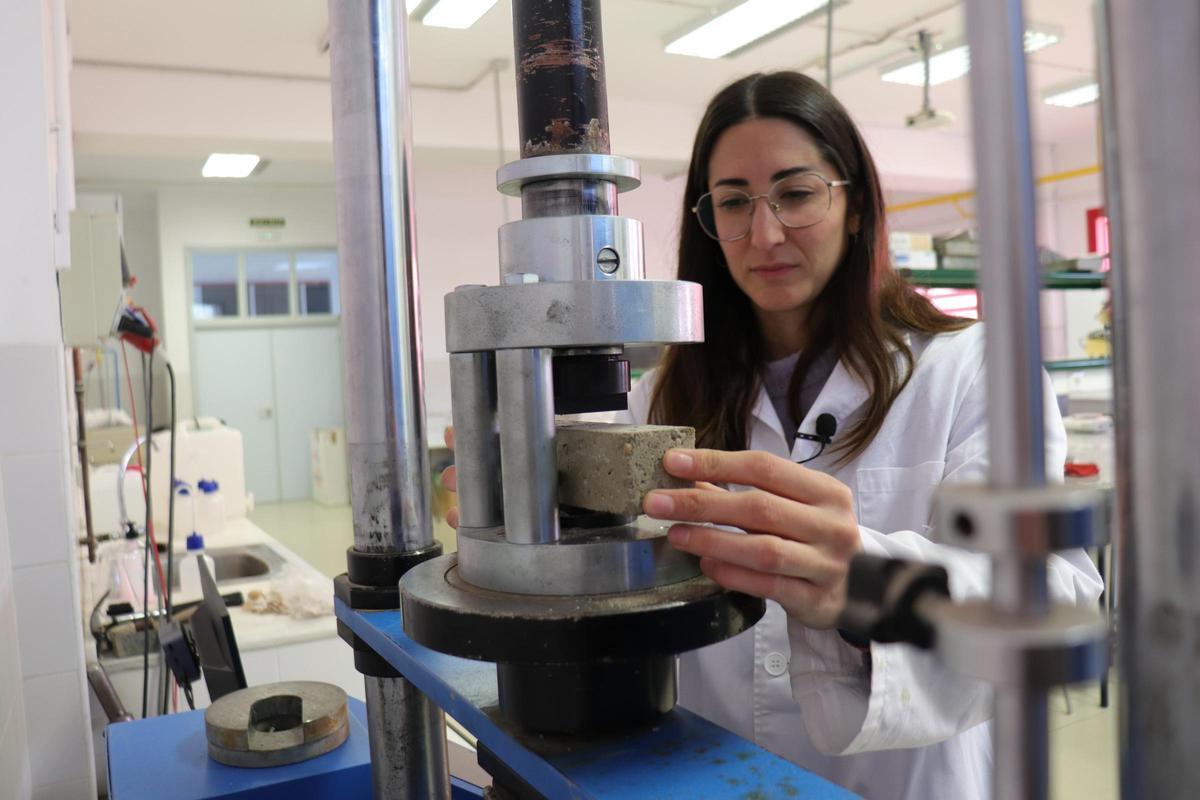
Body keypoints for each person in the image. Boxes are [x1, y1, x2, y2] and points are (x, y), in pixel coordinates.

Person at [445, 71, 1103, 799]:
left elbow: (1055, 607)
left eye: (795, 193)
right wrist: (517, 494)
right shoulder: (661, 395)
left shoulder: (976, 371)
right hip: (705, 774)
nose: (764, 234)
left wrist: (871, 584)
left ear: (854, 206)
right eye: (733, 203)